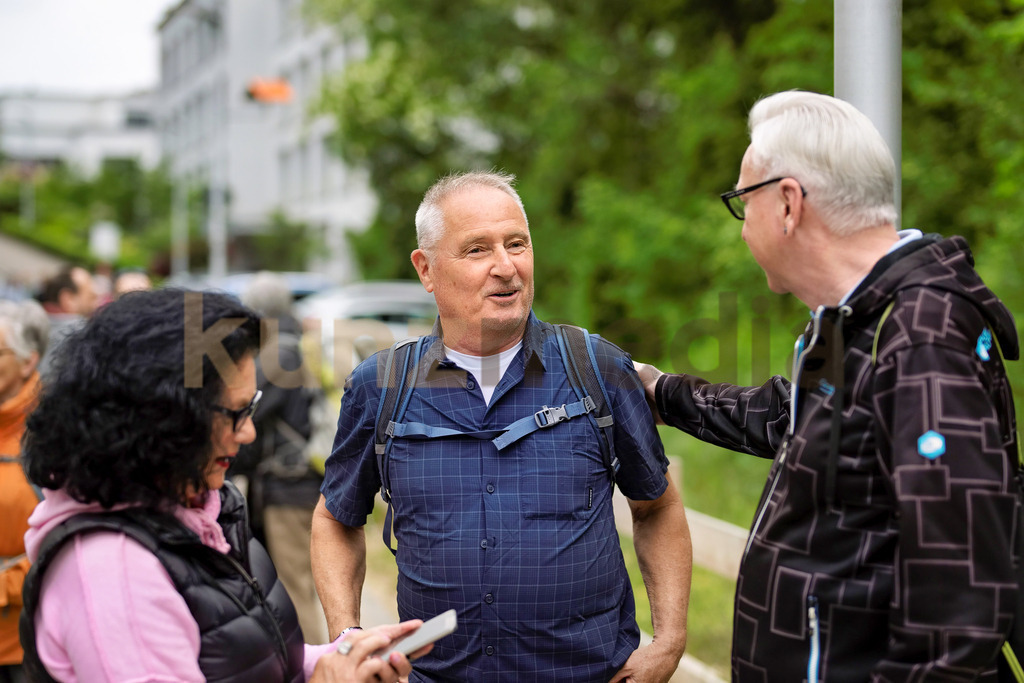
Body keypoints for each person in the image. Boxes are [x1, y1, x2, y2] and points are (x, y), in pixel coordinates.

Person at [634, 90, 1020, 681]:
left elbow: (961, 613)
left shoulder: (920, 339)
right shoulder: (854, 320)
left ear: (788, 204)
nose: (742, 230)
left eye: (743, 202)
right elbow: (793, 421)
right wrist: (661, 392)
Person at [312, 171, 691, 682]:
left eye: (517, 244)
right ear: (426, 270)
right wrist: (347, 636)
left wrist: (668, 643)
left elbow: (656, 506)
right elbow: (336, 518)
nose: (506, 267)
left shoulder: (595, 368)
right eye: (477, 250)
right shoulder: (380, 386)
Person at [19, 289, 427, 683]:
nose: (248, 432)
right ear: (160, 416)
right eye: (234, 413)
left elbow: (256, 659)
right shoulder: (114, 569)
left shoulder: (204, 510)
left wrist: (343, 657)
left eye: (251, 406)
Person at [238, 271, 329, 644]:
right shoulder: (298, 344)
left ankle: (319, 669)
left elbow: (246, 411)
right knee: (293, 586)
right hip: (300, 484)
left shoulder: (279, 354)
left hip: (289, 490)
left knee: (295, 589)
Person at [0, 299, 48, 683]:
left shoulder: (51, 431)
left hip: (25, 646)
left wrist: (8, 586)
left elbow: (73, 530)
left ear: (28, 361)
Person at [34, 265, 97, 377]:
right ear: (67, 298)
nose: (94, 302)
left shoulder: (28, 318)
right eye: (89, 296)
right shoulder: (80, 331)